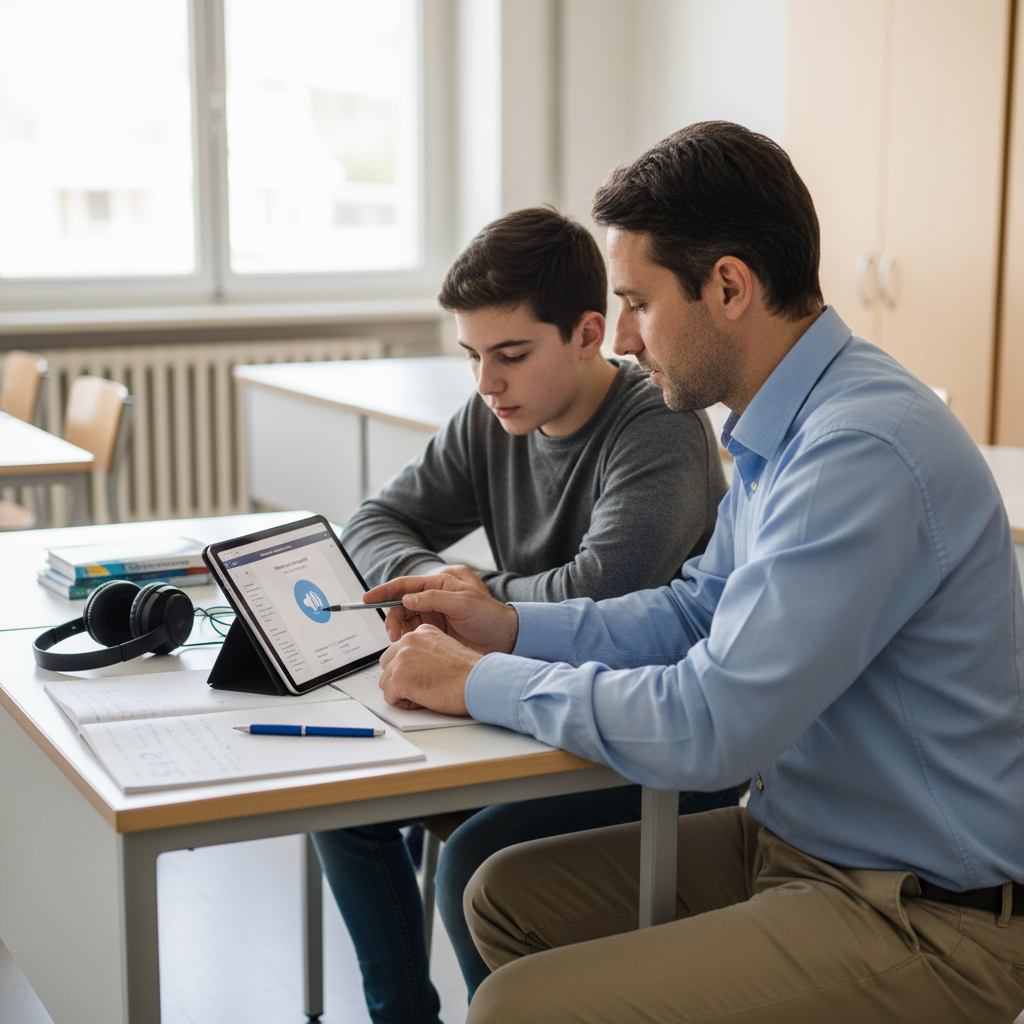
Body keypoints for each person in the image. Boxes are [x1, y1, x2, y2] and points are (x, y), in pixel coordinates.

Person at [369, 122, 1024, 1024]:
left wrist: (481, 680)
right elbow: (694, 612)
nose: (626, 338)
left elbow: (711, 726)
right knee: (498, 897)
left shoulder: (857, 450)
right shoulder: (778, 428)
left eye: (638, 302)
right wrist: (511, 626)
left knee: (517, 1008)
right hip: (795, 840)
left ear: (727, 286)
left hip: (915, 913)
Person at [312, 205, 734, 1024]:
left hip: (647, 737)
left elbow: (604, 590)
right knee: (343, 799)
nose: (486, 383)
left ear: (588, 334)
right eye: (471, 356)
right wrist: (437, 579)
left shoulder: (661, 424)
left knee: (476, 855)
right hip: (520, 704)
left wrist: (475, 597)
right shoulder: (490, 418)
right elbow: (369, 524)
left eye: (509, 355)